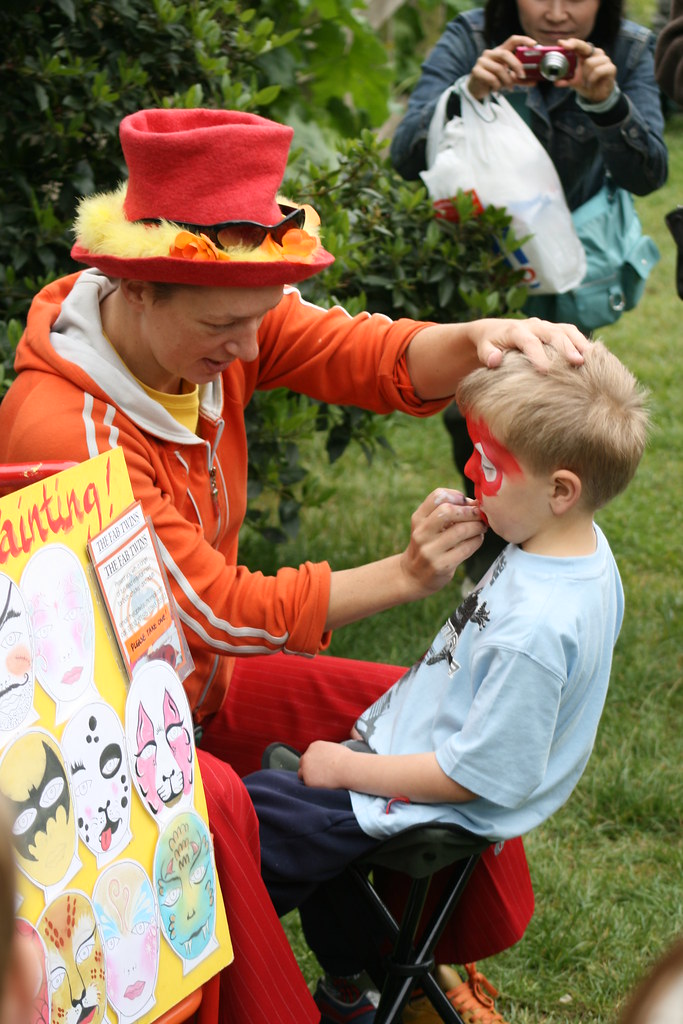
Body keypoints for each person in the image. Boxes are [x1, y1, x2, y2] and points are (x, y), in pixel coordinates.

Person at [0, 106, 589, 1024]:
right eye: (225, 327)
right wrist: (402, 576)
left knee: (426, 709)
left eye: (256, 322)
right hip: (96, 744)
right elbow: (210, 610)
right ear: (136, 286)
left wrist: (478, 337)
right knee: (223, 806)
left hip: (197, 688)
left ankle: (388, 971)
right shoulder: (67, 429)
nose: (245, 351)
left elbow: (364, 352)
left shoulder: (208, 322)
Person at [244, 339, 649, 1024]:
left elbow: (478, 774)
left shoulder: (536, 632)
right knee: (283, 806)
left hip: (439, 802)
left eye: (489, 464)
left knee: (236, 832)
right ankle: (351, 990)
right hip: (420, 750)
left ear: (559, 490)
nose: (467, 469)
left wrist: (344, 764)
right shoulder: (566, 543)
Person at [389, 0, 667, 582]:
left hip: (568, 273)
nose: (558, 13)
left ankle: (547, 549)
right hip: (484, 266)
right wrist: (468, 90)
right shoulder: (471, 37)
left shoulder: (631, 50)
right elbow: (405, 153)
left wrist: (605, 102)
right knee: (476, 410)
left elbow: (649, 173)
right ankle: (487, 556)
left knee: (560, 408)